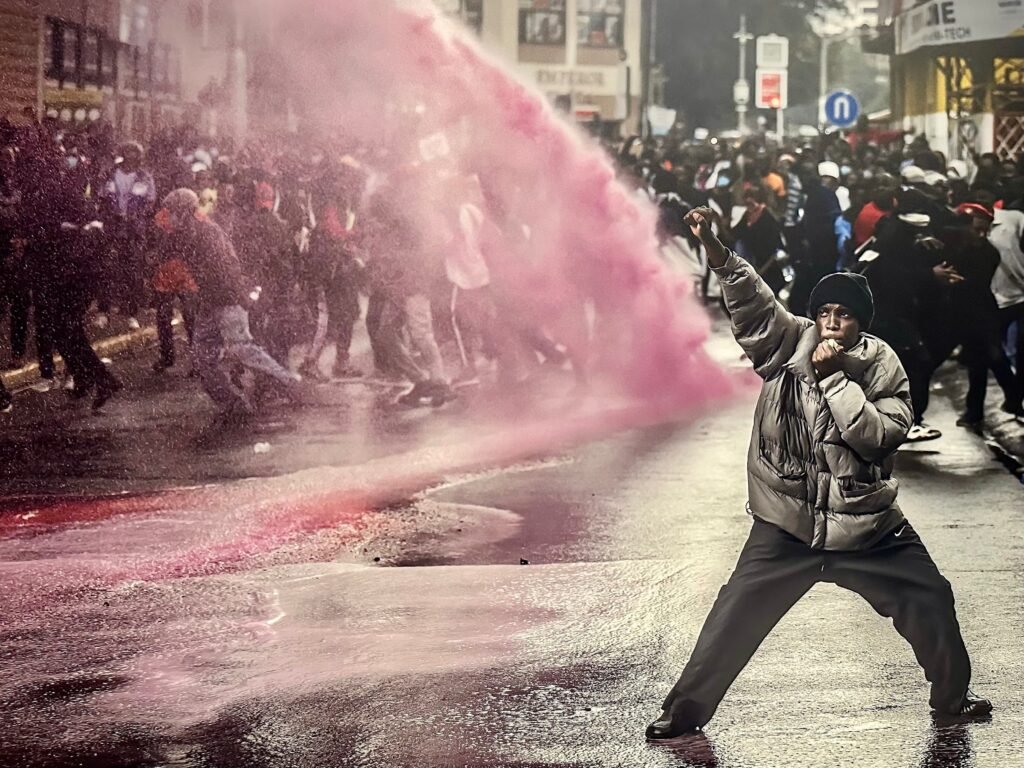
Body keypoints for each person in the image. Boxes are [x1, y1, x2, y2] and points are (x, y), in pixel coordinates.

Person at [646, 207, 991, 741]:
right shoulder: (791, 343)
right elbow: (752, 302)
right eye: (825, 311)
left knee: (931, 598)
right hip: (788, 521)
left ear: (861, 323)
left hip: (866, 524)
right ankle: (682, 714)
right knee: (733, 616)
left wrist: (834, 382)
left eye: (845, 315)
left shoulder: (882, 366)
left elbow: (879, 436)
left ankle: (952, 700)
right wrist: (715, 248)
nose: (833, 321)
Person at [158, 188, 305, 421]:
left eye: (174, 213)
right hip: (209, 303)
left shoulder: (208, 234)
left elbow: (228, 269)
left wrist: (240, 298)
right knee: (201, 356)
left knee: (242, 348)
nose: (170, 218)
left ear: (185, 213)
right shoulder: (182, 235)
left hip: (227, 300)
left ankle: (288, 382)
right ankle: (232, 404)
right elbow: (162, 254)